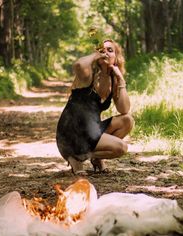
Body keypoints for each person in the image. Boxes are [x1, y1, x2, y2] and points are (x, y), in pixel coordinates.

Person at [56, 39, 134, 174]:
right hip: (71, 133)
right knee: (121, 147)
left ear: (116, 57)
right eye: (102, 50)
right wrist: (95, 55)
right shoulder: (88, 76)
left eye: (110, 50)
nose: (105, 53)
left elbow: (124, 109)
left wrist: (121, 80)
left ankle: (95, 158)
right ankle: (75, 156)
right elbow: (79, 64)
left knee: (127, 120)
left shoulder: (112, 79)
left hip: (91, 131)